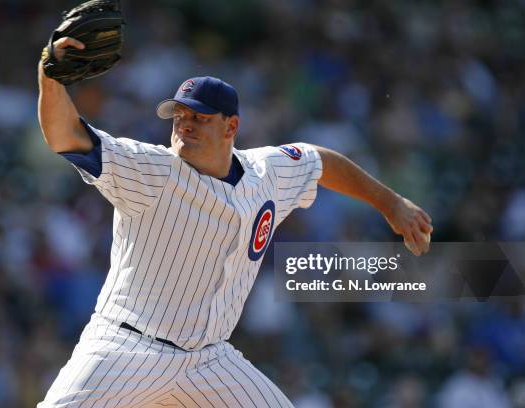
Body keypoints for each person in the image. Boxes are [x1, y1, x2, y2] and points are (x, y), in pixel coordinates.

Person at [37, 37, 433, 407]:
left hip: (208, 361)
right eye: (179, 115)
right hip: (126, 347)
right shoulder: (151, 169)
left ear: (231, 127)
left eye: (200, 117)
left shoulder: (267, 173)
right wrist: (49, 75)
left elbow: (319, 161)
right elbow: (65, 135)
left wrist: (390, 203)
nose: (185, 124)